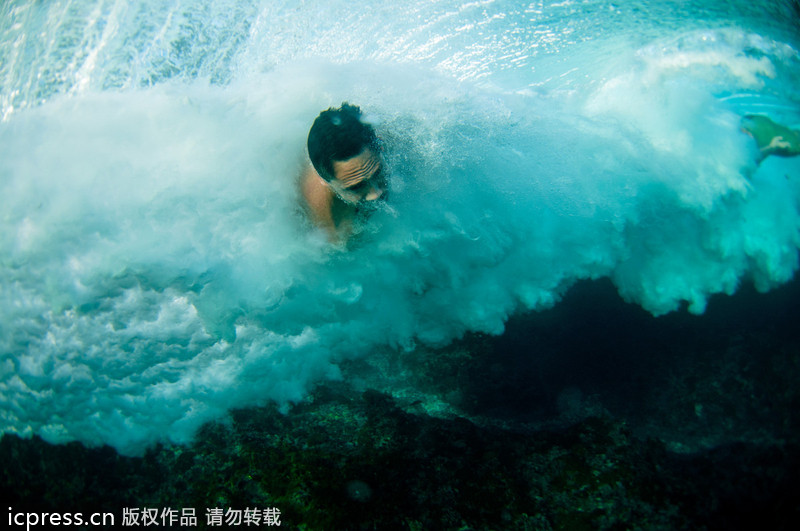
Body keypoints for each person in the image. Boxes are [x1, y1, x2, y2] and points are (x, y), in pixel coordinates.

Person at [301, 103, 387, 241]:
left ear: (381, 147)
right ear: (324, 181)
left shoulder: (399, 143)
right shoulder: (332, 223)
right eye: (356, 187)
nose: (375, 194)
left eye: (378, 172)